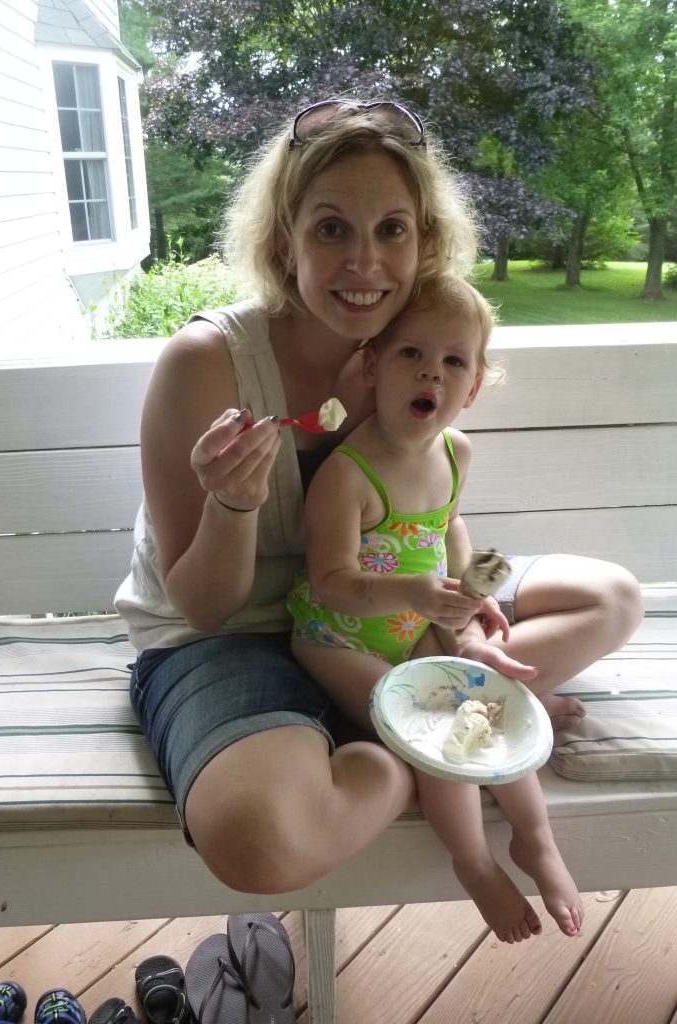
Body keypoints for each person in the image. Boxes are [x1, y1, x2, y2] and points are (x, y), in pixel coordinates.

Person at [114, 97, 643, 901]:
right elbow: (202, 607)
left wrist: (461, 610)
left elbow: (437, 513)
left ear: (425, 242)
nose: (365, 264)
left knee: (611, 597)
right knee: (261, 843)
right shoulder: (208, 363)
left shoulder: (416, 351)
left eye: (391, 230)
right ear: (280, 239)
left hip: (392, 603)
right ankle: (410, 749)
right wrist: (231, 505)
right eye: (331, 229)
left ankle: (443, 699)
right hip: (239, 633)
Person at [286, 275, 583, 941]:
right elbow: (332, 581)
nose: (432, 373)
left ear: (473, 385)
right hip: (340, 640)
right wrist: (415, 595)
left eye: (454, 361)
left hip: (416, 623)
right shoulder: (347, 476)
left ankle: (536, 840)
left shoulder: (455, 452)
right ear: (371, 367)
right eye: (410, 354)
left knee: (491, 694)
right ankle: (474, 863)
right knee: (436, 730)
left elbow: (449, 529)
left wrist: (470, 608)